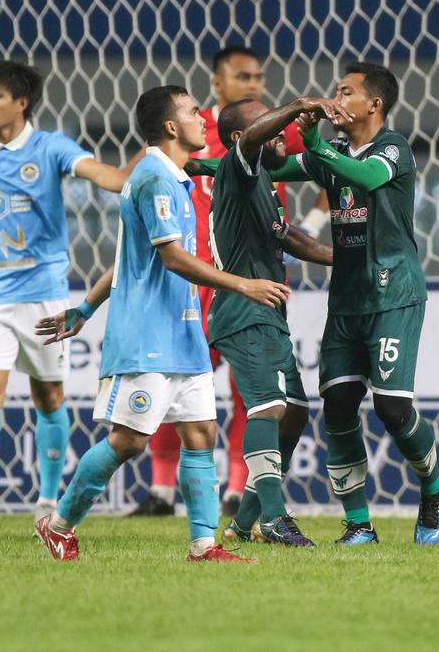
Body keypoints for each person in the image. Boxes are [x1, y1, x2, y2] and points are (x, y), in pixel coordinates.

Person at [32, 85, 288, 561]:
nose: (202, 119)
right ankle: (59, 524)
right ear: (171, 126)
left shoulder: (175, 179)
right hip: (147, 335)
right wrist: (243, 284)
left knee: (201, 433)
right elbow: (172, 258)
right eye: (192, 112)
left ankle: (203, 545)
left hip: (184, 332)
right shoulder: (152, 178)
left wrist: (84, 309)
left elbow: (126, 256)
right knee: (129, 440)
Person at [131, 45, 325, 518]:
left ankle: (239, 491)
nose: (254, 83)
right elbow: (144, 171)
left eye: (258, 76)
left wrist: (310, 229)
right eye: (243, 77)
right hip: (196, 278)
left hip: (254, 278)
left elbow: (325, 167)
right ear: (217, 83)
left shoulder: (274, 130)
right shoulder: (194, 132)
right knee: (177, 382)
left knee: (252, 394)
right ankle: (161, 491)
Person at [0, 60, 133, 526]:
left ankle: (48, 500)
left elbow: (103, 176)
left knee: (49, 396)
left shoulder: (51, 147)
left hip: (43, 293)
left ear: (21, 102)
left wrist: (141, 165)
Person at [271, 62, 439, 545]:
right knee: (338, 404)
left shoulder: (393, 148)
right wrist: (197, 166)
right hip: (346, 300)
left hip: (394, 296)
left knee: (392, 409)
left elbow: (367, 177)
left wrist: (317, 145)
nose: (336, 99)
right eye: (336, 91)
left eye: (346, 91)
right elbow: (267, 167)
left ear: (374, 104)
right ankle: (358, 525)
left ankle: (434, 488)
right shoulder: (331, 154)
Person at [202, 97, 345, 546]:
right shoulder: (237, 167)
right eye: (268, 125)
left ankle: (243, 524)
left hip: (268, 313)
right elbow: (256, 136)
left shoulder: (263, 181)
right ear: (242, 138)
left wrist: (345, 258)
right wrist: (299, 106)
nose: (281, 132)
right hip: (243, 311)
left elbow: (289, 238)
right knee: (268, 408)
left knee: (295, 413)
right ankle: (275, 517)